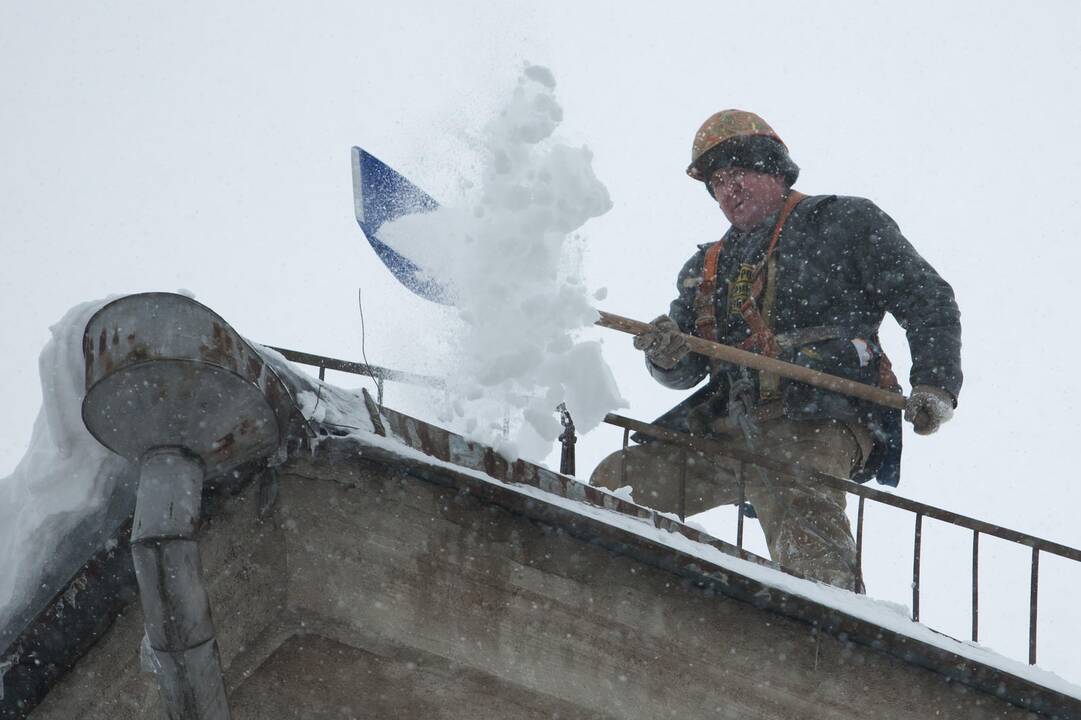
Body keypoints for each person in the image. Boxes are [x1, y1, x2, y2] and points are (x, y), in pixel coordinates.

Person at [590, 110, 962, 592]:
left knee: (802, 517)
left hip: (818, 416)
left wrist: (935, 386)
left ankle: (831, 634)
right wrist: (665, 354)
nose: (728, 190)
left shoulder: (843, 223)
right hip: (730, 428)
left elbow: (926, 298)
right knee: (620, 480)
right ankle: (631, 601)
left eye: (738, 173)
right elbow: (686, 370)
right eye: (717, 182)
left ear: (774, 171)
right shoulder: (707, 266)